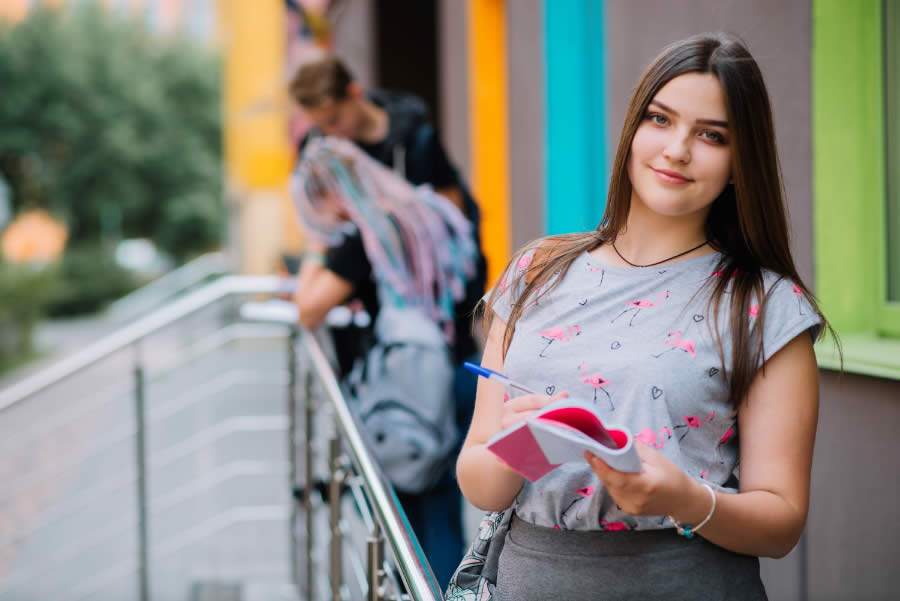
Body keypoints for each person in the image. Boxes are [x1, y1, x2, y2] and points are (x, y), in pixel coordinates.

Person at [456, 33, 834, 600]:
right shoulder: (538, 269)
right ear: (632, 129)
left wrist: (683, 498)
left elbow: (781, 523)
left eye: (711, 135)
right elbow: (481, 485)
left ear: (739, 162)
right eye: (660, 119)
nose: (677, 149)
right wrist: (526, 444)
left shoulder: (764, 306)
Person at [290, 137, 477, 588]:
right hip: (462, 370)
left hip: (411, 383)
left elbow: (308, 307)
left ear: (331, 193)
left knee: (407, 516)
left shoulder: (366, 235)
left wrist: (318, 247)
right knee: (443, 507)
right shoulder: (430, 211)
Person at [289, 54, 487, 432]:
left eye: (334, 119)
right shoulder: (328, 154)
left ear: (354, 93)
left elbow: (454, 227)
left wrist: (321, 245)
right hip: (397, 343)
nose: (331, 135)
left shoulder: (416, 141)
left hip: (435, 335)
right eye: (320, 127)